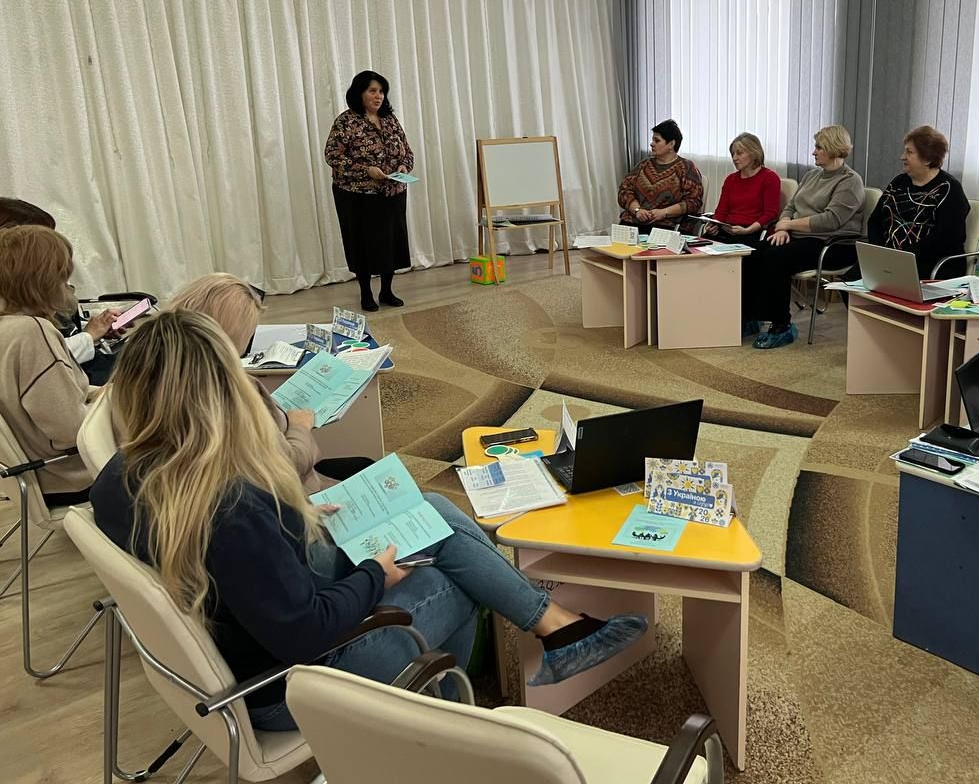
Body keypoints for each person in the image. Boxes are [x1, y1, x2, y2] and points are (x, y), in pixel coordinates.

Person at [91, 310, 648, 731]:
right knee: (459, 577)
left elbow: (231, 560)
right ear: (225, 390)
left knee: (429, 512)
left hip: (237, 645)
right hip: (290, 685)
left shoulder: (119, 476)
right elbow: (307, 633)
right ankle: (448, 725)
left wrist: (295, 517)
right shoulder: (233, 504)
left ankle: (554, 629)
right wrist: (373, 575)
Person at [164, 273, 369, 491]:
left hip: (220, 493)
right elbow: (285, 467)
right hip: (283, 496)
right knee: (370, 474)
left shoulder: (163, 380)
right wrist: (300, 427)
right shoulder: (230, 393)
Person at [742, 125, 866, 349]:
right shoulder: (811, 176)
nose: (813, 152)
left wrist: (789, 224)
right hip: (800, 237)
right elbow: (790, 206)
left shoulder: (850, 181)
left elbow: (830, 220)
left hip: (833, 244)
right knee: (752, 253)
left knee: (776, 259)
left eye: (819, 147)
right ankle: (752, 317)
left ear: (833, 148)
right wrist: (782, 228)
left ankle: (781, 325)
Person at [0, 226, 95, 505]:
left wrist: (102, 394)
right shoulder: (33, 332)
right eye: (64, 279)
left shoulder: (8, 329)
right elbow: (72, 431)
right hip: (71, 478)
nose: (68, 289)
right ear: (42, 282)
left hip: (28, 480)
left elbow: (47, 396)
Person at [0, 197, 121, 383]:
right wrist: (89, 336)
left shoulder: (29, 301)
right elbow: (42, 361)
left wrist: (96, 330)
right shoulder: (25, 324)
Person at [325, 70, 415, 313]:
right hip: (356, 195)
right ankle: (366, 293)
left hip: (393, 192)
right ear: (359, 93)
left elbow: (407, 151)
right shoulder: (346, 121)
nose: (378, 96)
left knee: (391, 242)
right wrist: (366, 170)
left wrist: (403, 165)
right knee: (362, 243)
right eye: (372, 91)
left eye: (381, 91)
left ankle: (386, 291)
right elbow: (332, 155)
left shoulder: (390, 119)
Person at [865, 126, 970, 279]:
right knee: (848, 282)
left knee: (882, 282)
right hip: (889, 260)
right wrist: (881, 251)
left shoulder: (949, 189)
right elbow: (875, 220)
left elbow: (947, 239)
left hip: (930, 264)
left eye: (909, 152)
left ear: (927, 159)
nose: (902, 157)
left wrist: (903, 256)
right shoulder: (898, 183)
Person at [617, 120, 704, 230]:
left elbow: (693, 201)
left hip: (667, 225)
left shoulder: (686, 167)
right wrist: (637, 210)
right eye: (652, 140)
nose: (652, 144)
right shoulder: (643, 165)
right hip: (634, 222)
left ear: (671, 144)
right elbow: (624, 191)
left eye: (657, 140)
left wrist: (664, 212)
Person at [704, 133, 781, 243]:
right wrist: (714, 225)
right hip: (727, 229)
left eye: (739, 153)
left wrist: (747, 230)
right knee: (698, 245)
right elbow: (721, 211)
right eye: (733, 154)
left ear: (754, 153)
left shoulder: (770, 178)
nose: (734, 158)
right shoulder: (731, 179)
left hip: (751, 231)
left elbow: (770, 214)